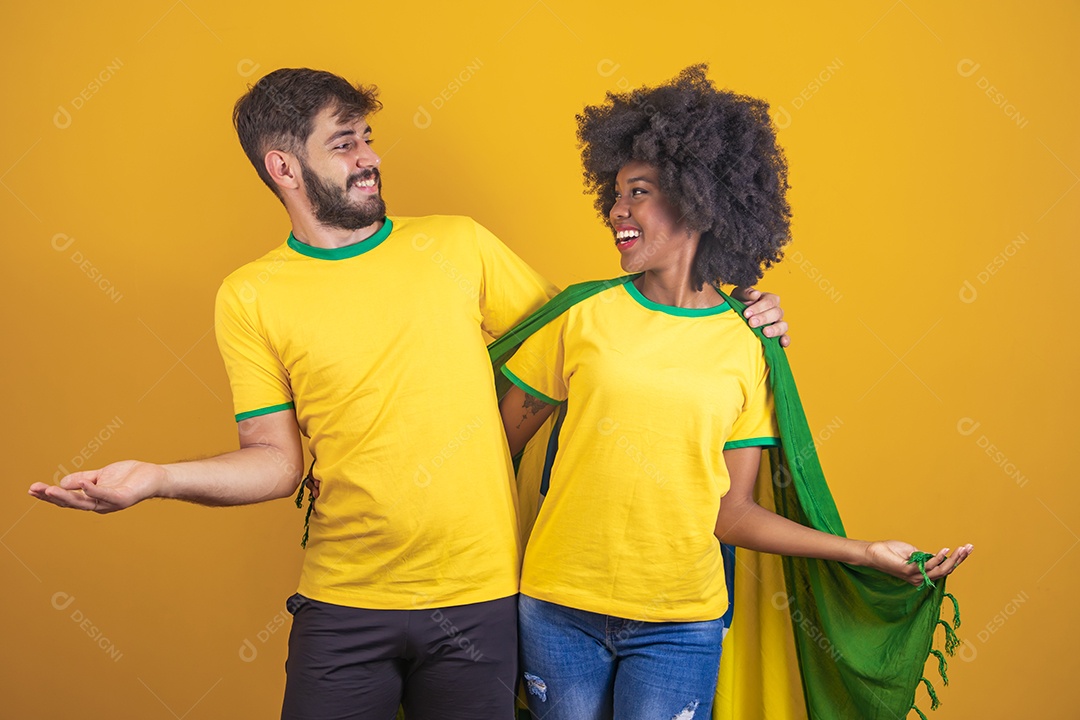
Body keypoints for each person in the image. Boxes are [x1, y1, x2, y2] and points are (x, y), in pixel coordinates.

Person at [26, 68, 790, 719]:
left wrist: (737, 312)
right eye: (345, 143)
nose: (370, 158)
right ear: (284, 168)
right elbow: (273, 462)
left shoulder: (458, 245)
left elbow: (607, 339)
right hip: (343, 601)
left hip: (482, 601)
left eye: (367, 138)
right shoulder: (251, 295)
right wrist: (156, 479)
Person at [496, 65, 972, 720]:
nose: (617, 210)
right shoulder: (582, 317)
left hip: (681, 623)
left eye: (638, 192)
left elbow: (732, 512)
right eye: (615, 193)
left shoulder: (749, 345)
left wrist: (862, 551)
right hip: (556, 609)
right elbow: (492, 453)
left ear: (697, 199)